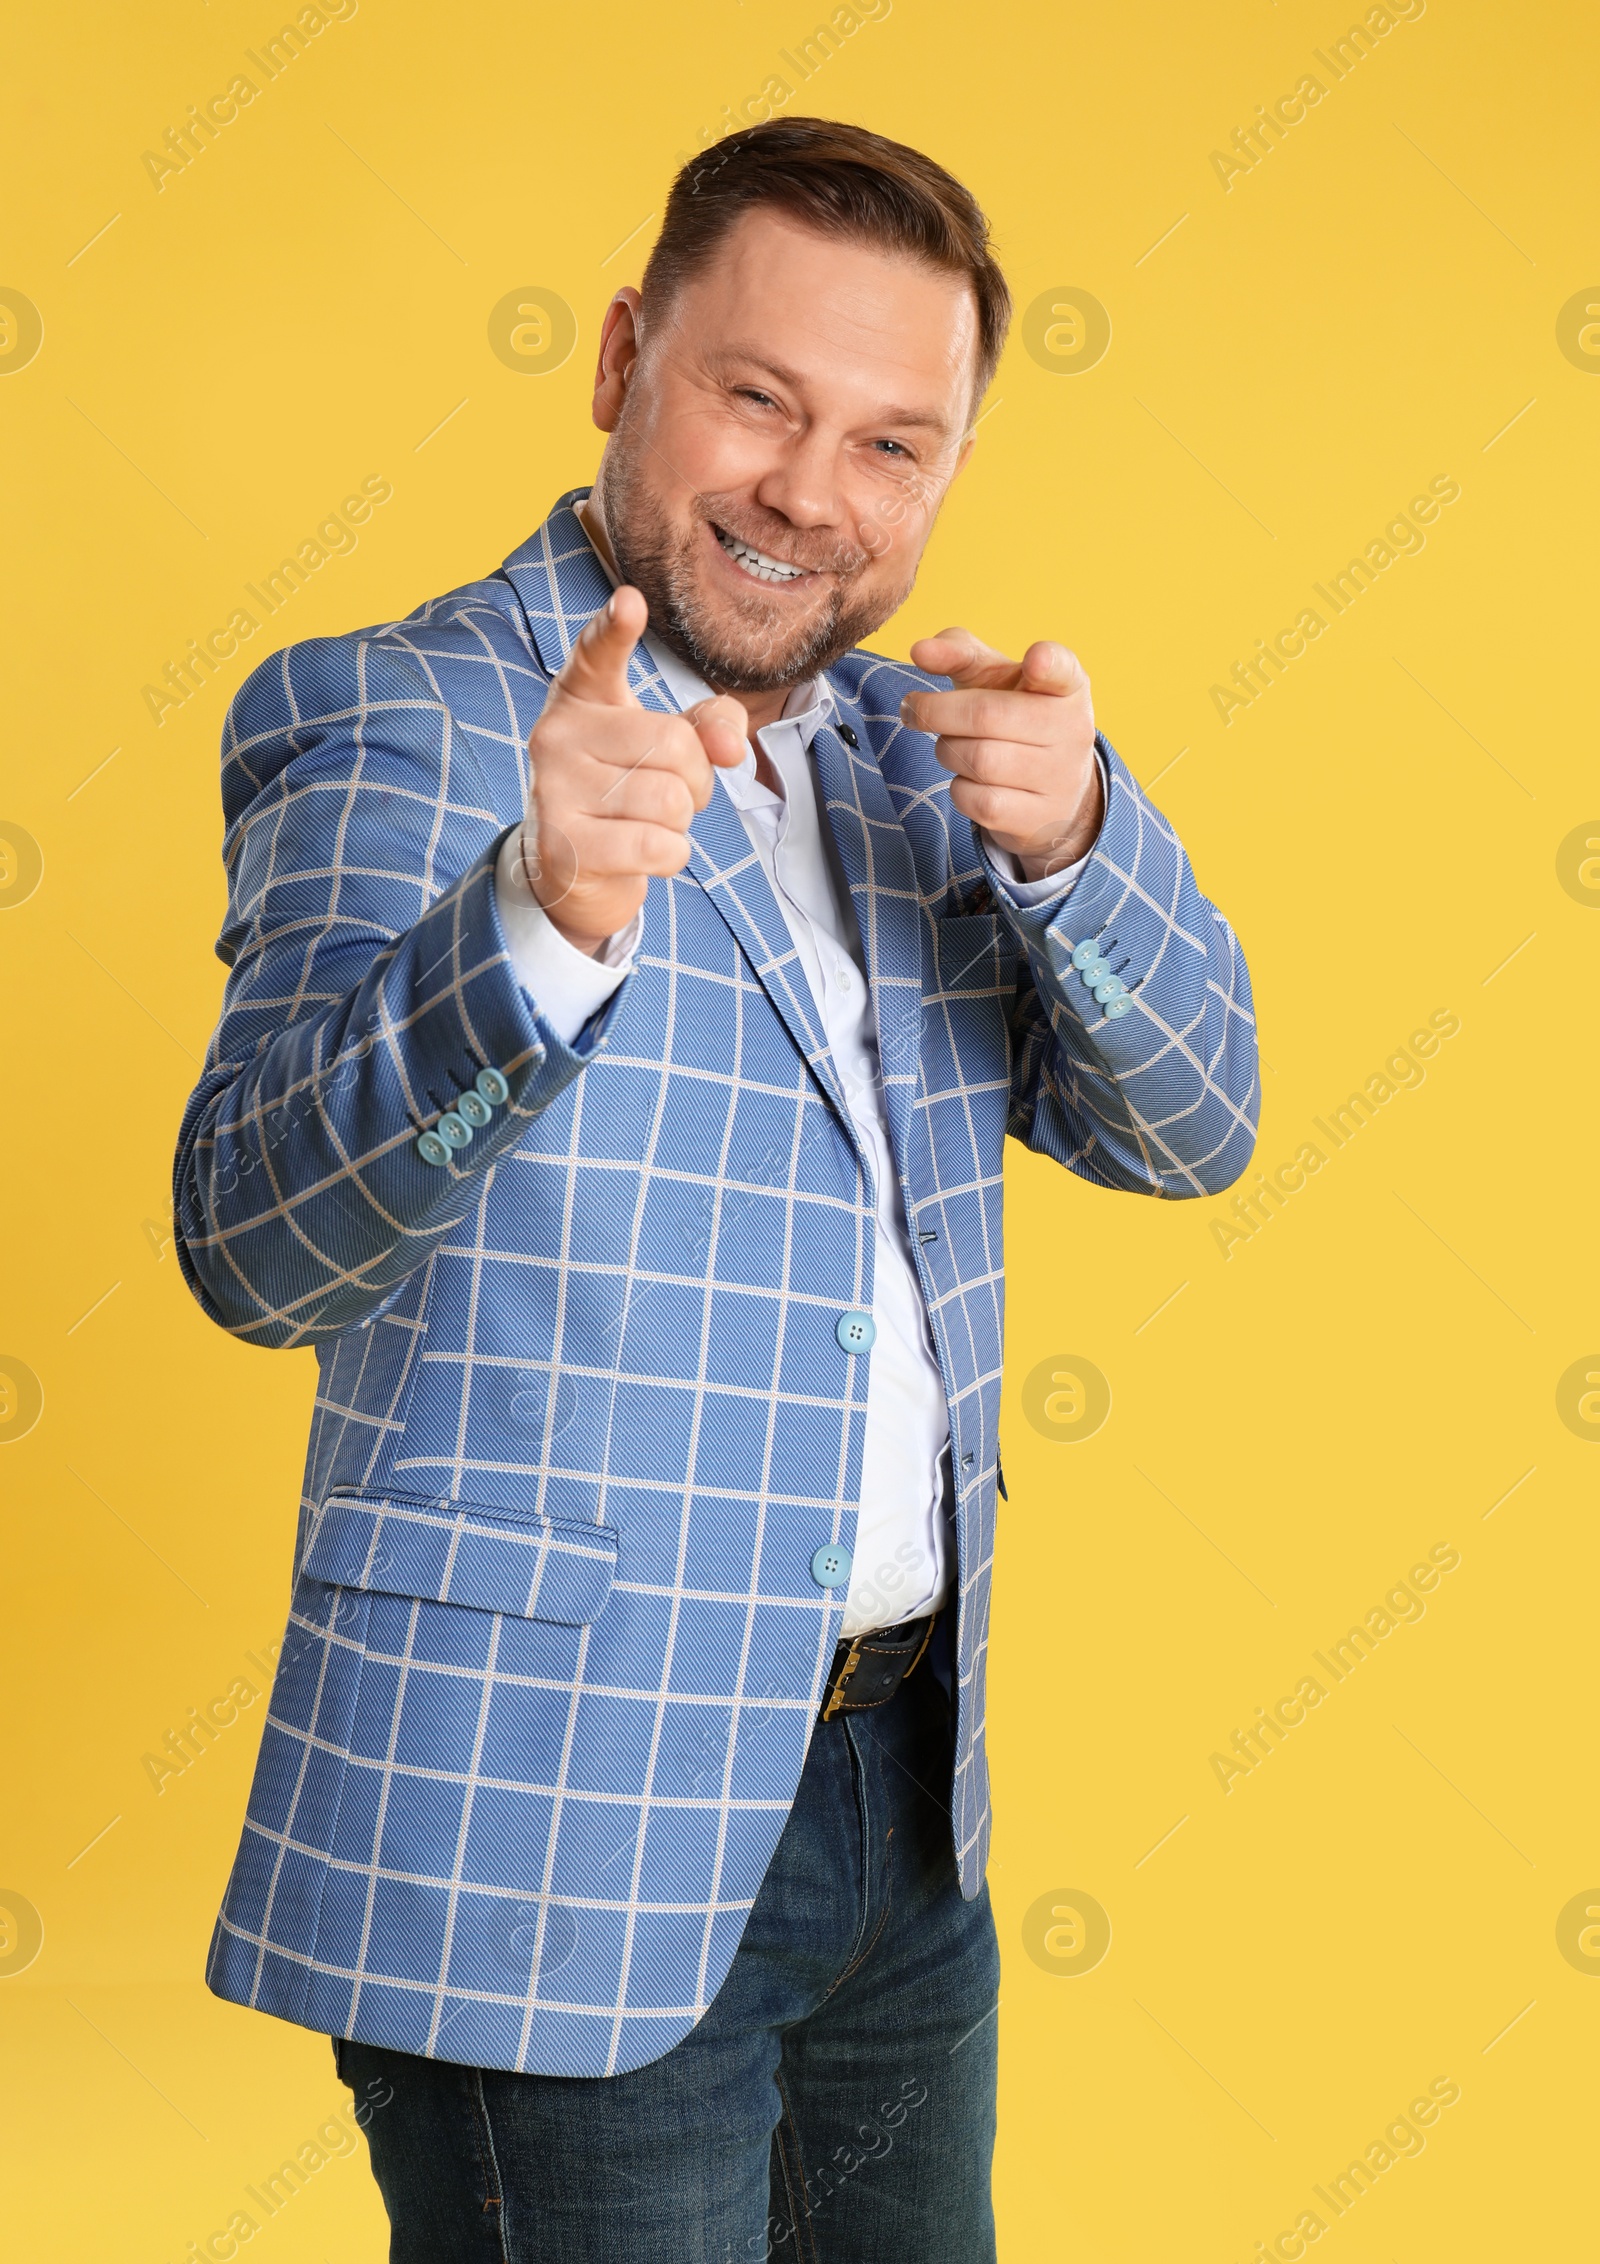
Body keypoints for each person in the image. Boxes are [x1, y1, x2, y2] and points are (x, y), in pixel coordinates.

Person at [173, 115, 1257, 2263]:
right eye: (755, 396)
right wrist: (538, 925)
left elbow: (1187, 1127)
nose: (806, 492)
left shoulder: (904, 757)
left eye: (888, 442)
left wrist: (1077, 847)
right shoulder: (399, 719)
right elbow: (250, 1240)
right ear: (619, 364)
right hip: (555, 1832)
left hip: (896, 1811)